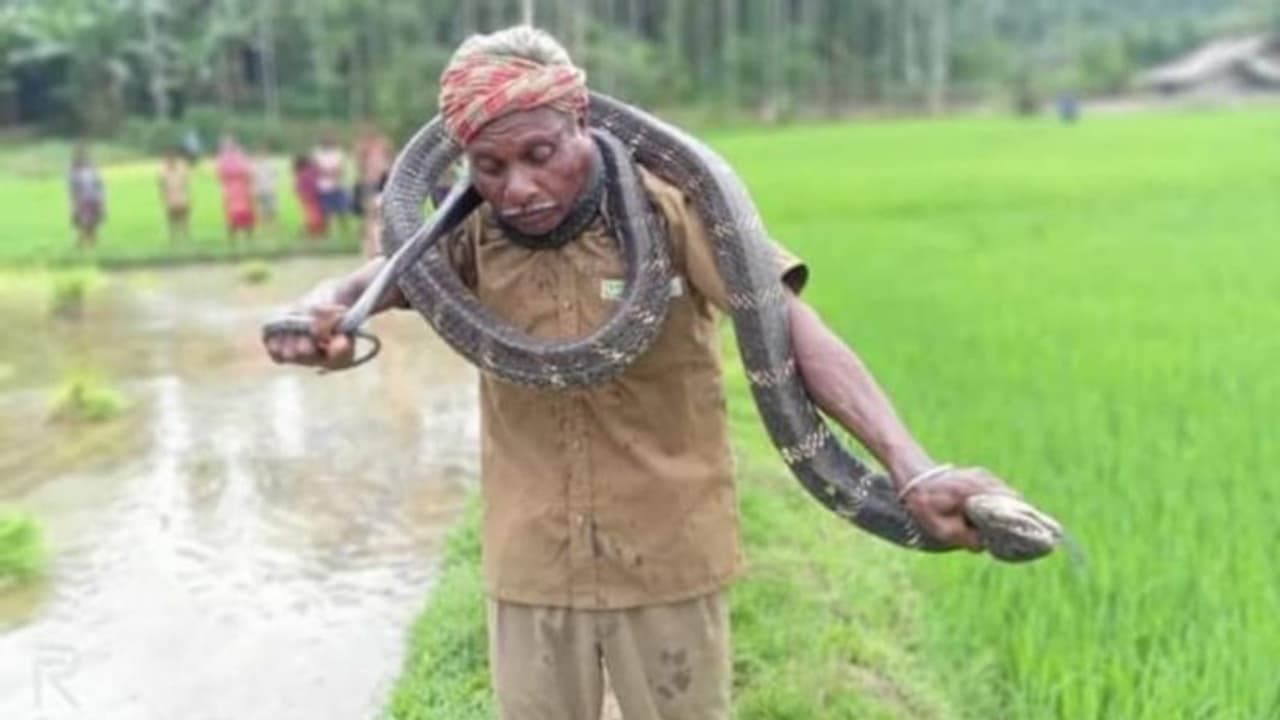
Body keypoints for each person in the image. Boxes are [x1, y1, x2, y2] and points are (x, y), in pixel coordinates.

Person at [264, 26, 1019, 720]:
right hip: (532, 566)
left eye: (539, 154)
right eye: (488, 167)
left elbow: (794, 330)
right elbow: (380, 278)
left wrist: (909, 467)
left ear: (582, 123)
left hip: (667, 557)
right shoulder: (469, 235)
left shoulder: (675, 211)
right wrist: (321, 307)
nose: (518, 187)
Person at [353, 121, 394, 257]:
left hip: (383, 180)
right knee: (369, 216)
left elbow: (391, 160)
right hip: (370, 182)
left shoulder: (383, 144)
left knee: (383, 214)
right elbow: (359, 164)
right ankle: (371, 248)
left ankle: (383, 246)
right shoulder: (362, 146)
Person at [216, 135, 256, 244]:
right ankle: (232, 239)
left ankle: (249, 238)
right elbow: (220, 174)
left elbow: (247, 171)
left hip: (242, 188)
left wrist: (241, 175)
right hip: (230, 189)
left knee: (246, 213)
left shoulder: (241, 155)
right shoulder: (222, 158)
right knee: (231, 214)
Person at [312, 132, 350, 239]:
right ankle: (327, 233)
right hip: (323, 187)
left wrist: (333, 173)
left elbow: (341, 169)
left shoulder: (339, 153)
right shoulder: (317, 153)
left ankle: (345, 233)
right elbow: (316, 168)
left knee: (341, 211)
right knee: (325, 212)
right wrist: (329, 173)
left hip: (337, 186)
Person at [67, 143, 104, 251]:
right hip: (82, 199)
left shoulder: (91, 170)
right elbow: (72, 189)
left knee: (91, 223)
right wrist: (72, 203)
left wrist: (101, 199)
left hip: (91, 198)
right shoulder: (74, 171)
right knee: (84, 222)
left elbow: (99, 184)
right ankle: (83, 243)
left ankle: (87, 244)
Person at [157, 149, 191, 244]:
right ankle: (173, 237)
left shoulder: (181, 166)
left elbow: (186, 180)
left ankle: (185, 235)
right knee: (171, 217)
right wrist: (162, 195)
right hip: (170, 195)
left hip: (181, 194)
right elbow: (161, 182)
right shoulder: (163, 169)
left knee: (184, 216)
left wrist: (187, 193)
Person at [292, 153, 326, 240]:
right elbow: (320, 172)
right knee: (314, 214)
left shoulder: (299, 173)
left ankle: (311, 232)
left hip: (305, 196)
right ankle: (314, 232)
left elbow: (296, 186)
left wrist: (297, 193)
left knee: (309, 214)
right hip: (313, 195)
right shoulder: (310, 171)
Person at [252, 145, 280, 236]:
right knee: (261, 210)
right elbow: (252, 178)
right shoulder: (254, 166)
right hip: (259, 191)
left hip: (269, 189)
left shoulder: (270, 165)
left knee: (271, 209)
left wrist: (273, 187)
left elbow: (274, 176)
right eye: (260, 155)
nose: (261, 156)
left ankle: (273, 226)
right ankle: (262, 227)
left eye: (263, 154)